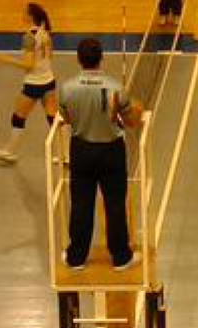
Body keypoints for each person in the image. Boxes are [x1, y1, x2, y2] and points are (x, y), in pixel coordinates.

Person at [59, 39, 143, 271]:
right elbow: (131, 121)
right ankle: (121, 258)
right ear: (101, 58)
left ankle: (76, 258)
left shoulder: (67, 89)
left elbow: (67, 118)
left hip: (81, 150)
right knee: (115, 204)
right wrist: (135, 105)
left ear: (79, 59)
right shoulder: (116, 88)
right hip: (111, 151)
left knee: (81, 204)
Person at [0, 3, 57, 164]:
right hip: (49, 80)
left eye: (24, 12)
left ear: (30, 16)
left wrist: (5, 59)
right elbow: (50, 56)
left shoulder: (29, 36)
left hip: (34, 84)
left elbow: (29, 65)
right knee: (54, 119)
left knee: (18, 117)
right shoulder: (46, 33)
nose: (22, 14)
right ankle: (67, 153)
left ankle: (9, 152)